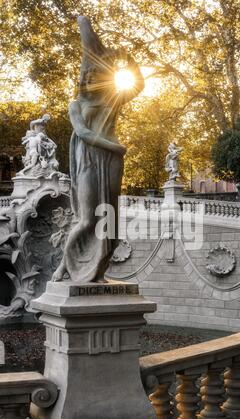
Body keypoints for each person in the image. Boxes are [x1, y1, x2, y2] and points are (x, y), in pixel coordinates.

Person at [52, 16, 144, 282]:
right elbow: (82, 132)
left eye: (96, 73)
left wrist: (130, 60)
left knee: (109, 219)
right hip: (90, 160)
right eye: (86, 74)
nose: (90, 76)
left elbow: (138, 85)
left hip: (112, 160)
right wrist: (115, 146)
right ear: (82, 78)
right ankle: (64, 266)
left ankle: (98, 270)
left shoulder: (113, 100)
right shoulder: (76, 105)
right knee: (87, 218)